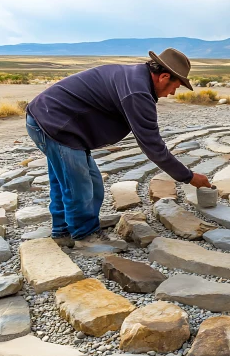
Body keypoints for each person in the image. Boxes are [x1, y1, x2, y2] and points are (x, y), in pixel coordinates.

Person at [25, 48, 211, 244]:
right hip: (54, 124)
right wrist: (189, 177)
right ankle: (84, 237)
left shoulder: (135, 78)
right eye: (176, 86)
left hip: (56, 122)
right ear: (164, 76)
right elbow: (153, 145)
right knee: (78, 185)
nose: (173, 92)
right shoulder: (137, 91)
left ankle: (62, 231)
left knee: (84, 181)